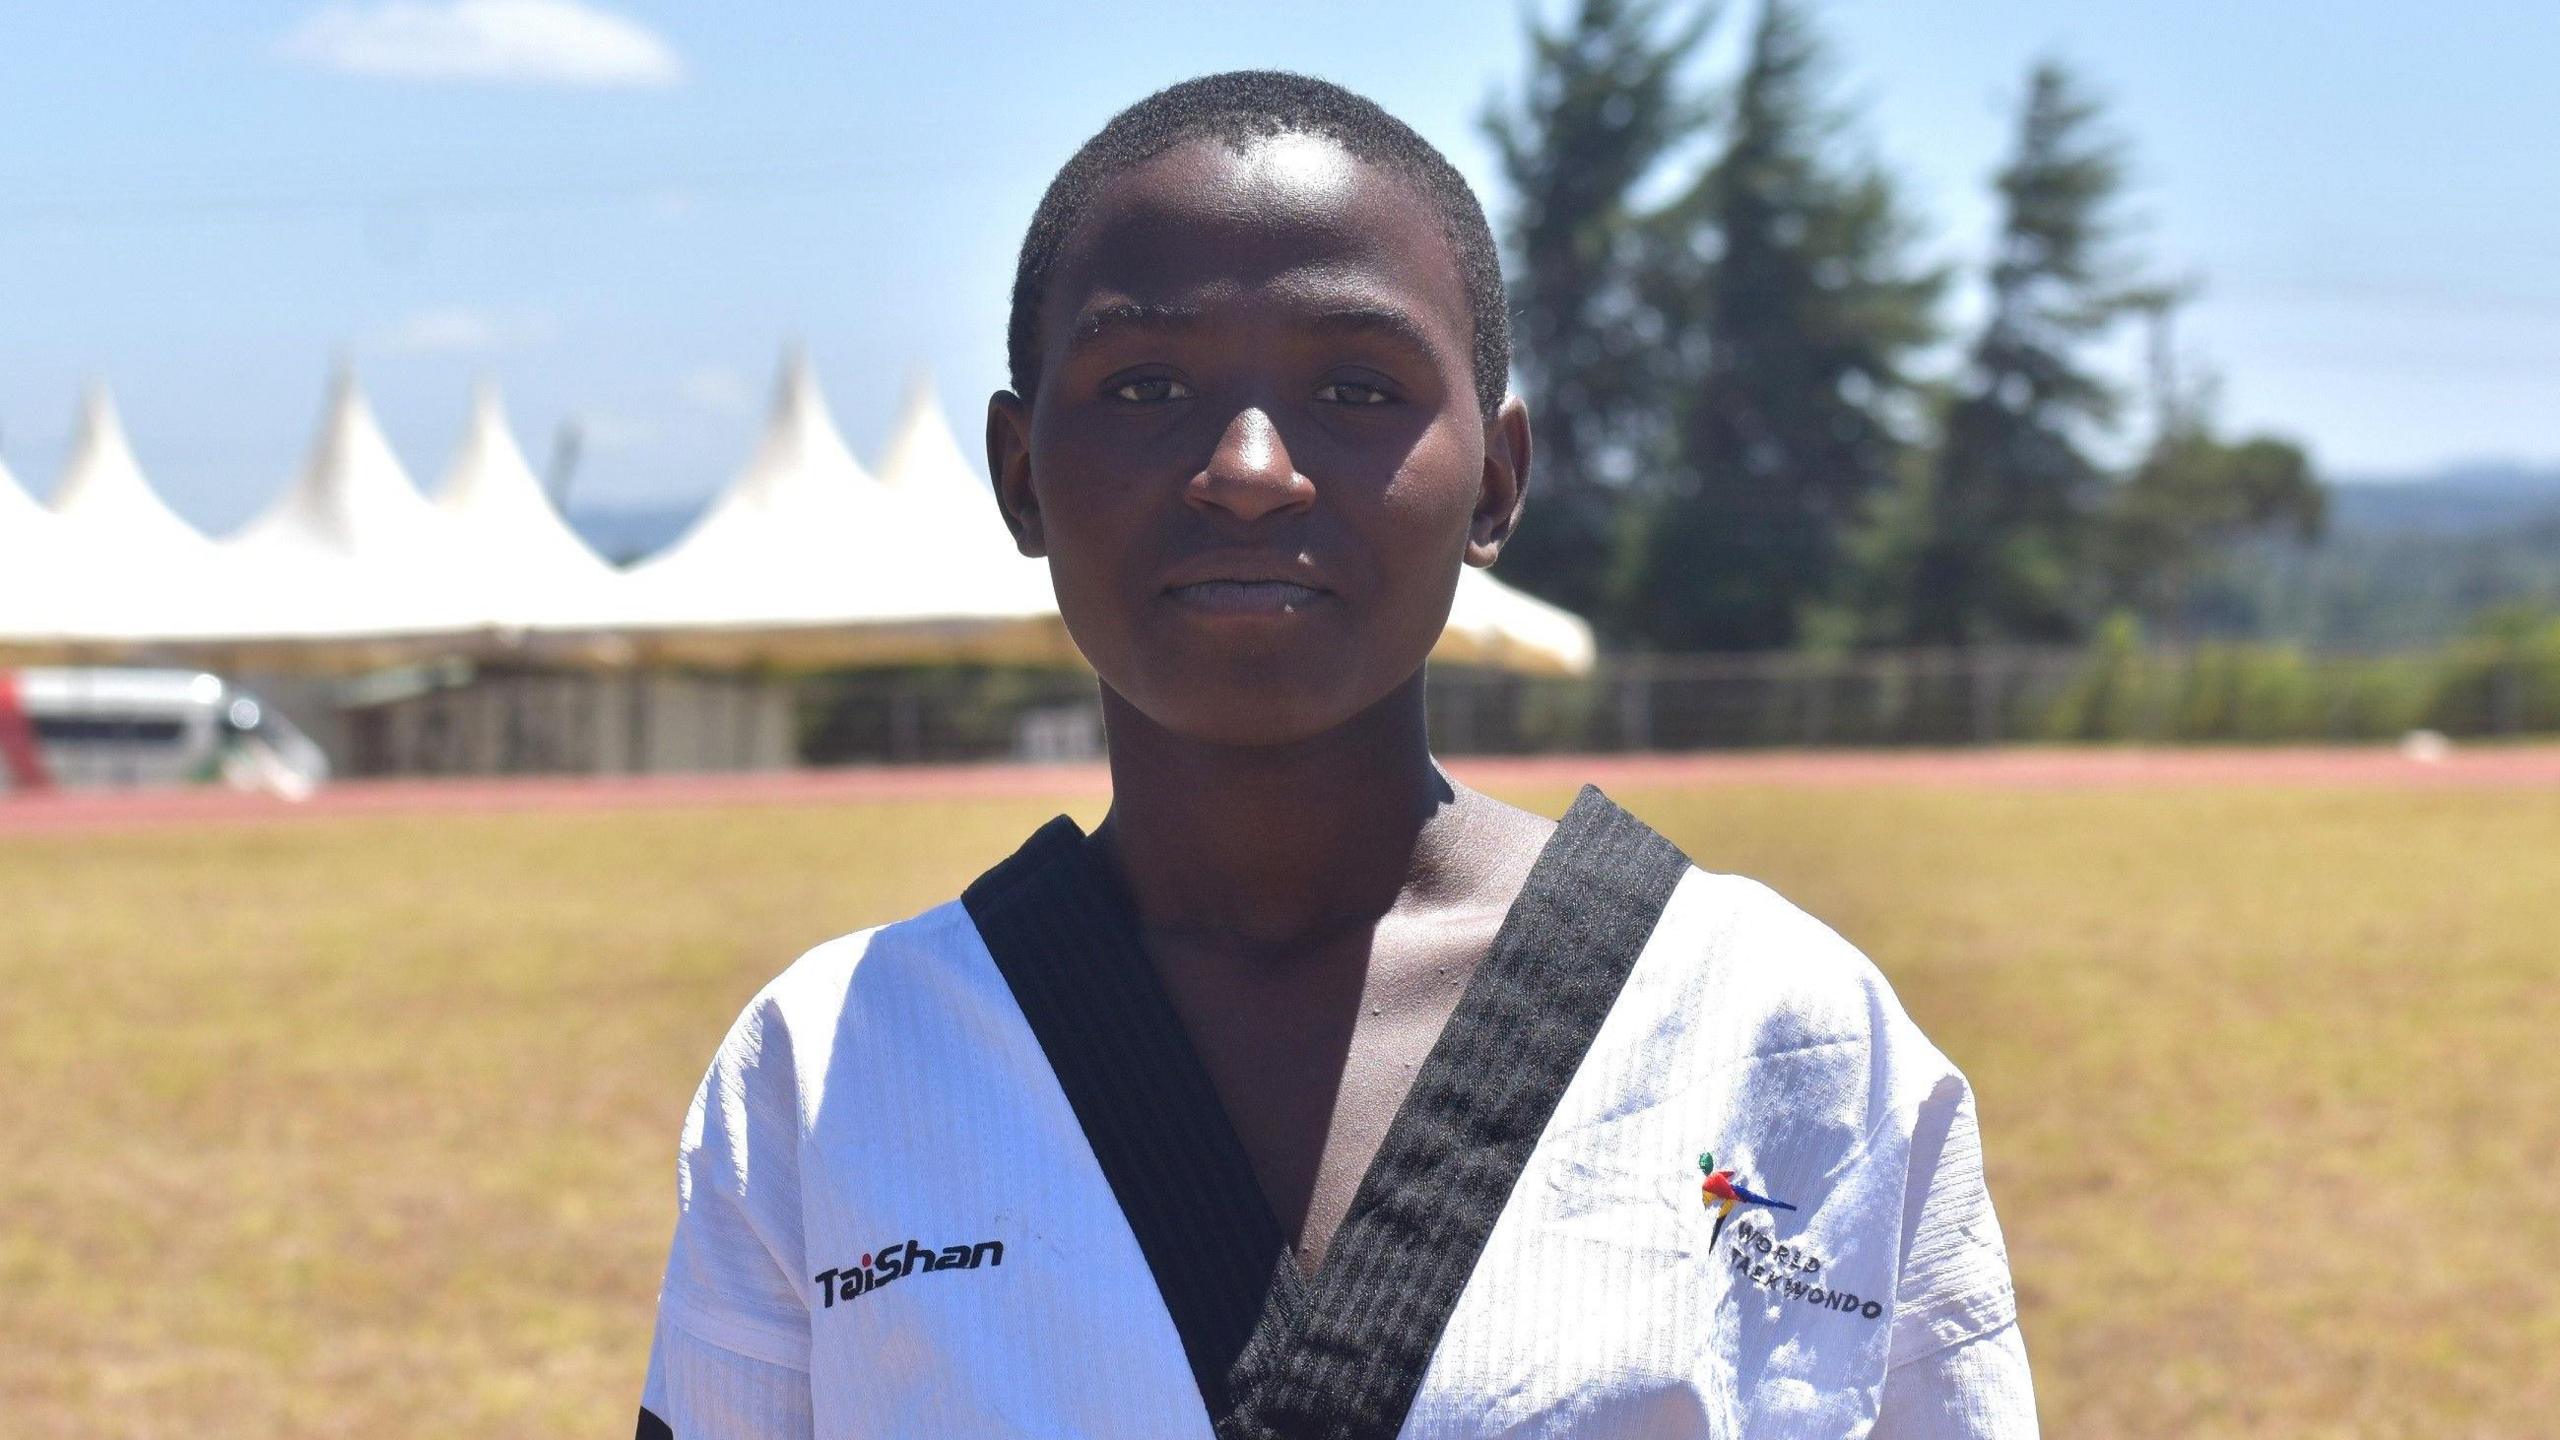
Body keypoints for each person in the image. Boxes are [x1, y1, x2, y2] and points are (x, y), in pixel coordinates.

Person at [635, 70, 2035, 1439]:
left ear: (1495, 480)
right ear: (1020, 479)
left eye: (1358, 387)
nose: (1248, 466)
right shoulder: (828, 1069)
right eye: (1143, 387)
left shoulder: (1784, 1031)